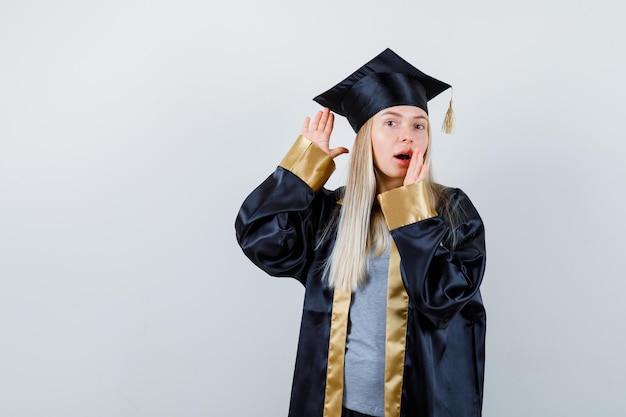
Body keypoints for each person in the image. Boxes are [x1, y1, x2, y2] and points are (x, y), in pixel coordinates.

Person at [235, 48, 487, 417]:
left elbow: (443, 300)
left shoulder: (451, 212)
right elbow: (264, 242)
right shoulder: (331, 214)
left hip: (419, 404)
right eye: (391, 123)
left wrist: (414, 213)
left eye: (419, 125)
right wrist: (303, 169)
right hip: (332, 406)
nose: (408, 136)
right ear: (365, 136)